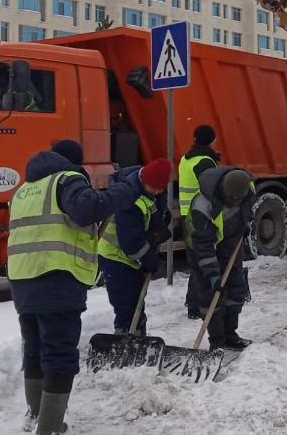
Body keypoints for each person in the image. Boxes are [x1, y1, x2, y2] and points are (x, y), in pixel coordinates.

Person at [7, 139, 152, 435]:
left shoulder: (25, 188)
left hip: (22, 277)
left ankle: (35, 414)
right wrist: (129, 189)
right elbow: (88, 208)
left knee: (34, 348)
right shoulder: (67, 179)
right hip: (56, 276)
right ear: (75, 162)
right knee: (59, 352)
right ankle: (49, 429)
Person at [97, 158, 172, 335]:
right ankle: (125, 339)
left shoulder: (151, 193)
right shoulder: (129, 200)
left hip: (129, 257)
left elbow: (157, 216)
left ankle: (137, 337)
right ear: (144, 180)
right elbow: (132, 244)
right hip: (115, 257)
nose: (157, 191)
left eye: (160, 188)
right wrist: (150, 260)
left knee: (136, 301)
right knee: (126, 304)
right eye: (154, 188)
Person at [188, 167, 255, 350]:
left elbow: (248, 206)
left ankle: (230, 335)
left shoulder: (246, 190)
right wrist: (212, 275)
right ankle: (216, 341)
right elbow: (202, 246)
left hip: (230, 244)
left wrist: (247, 221)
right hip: (201, 248)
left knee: (235, 289)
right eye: (232, 199)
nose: (235, 202)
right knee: (211, 296)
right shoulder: (203, 205)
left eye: (238, 199)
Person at [178, 124, 220, 318]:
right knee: (204, 263)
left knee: (196, 262)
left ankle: (193, 306)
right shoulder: (205, 162)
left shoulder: (185, 160)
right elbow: (213, 190)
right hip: (201, 218)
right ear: (211, 140)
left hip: (187, 217)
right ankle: (201, 307)